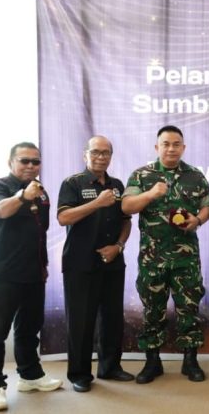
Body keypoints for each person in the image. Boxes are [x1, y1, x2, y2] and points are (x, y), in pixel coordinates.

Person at [122, 125, 209, 384]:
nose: (171, 148)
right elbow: (126, 206)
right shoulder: (141, 176)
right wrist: (151, 194)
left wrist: (198, 219)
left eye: (176, 144)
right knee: (153, 310)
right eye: (166, 144)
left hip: (186, 260)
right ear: (157, 147)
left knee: (189, 309)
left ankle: (190, 361)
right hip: (153, 258)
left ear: (183, 147)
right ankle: (152, 362)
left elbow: (207, 206)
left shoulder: (195, 175)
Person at [0, 142, 62, 412]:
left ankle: (29, 375)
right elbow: (0, 211)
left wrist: (44, 266)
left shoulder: (41, 192)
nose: (30, 166)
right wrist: (22, 196)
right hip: (2, 274)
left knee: (29, 328)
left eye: (35, 162)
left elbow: (41, 233)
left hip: (33, 273)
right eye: (24, 161)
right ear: (11, 162)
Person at [57, 136, 134, 392]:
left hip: (112, 260)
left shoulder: (117, 185)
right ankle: (79, 374)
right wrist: (97, 203)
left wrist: (119, 247)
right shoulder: (73, 183)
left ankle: (110, 367)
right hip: (80, 264)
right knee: (81, 321)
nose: (101, 157)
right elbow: (64, 217)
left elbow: (126, 220)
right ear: (85, 155)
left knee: (112, 318)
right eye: (96, 152)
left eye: (106, 153)